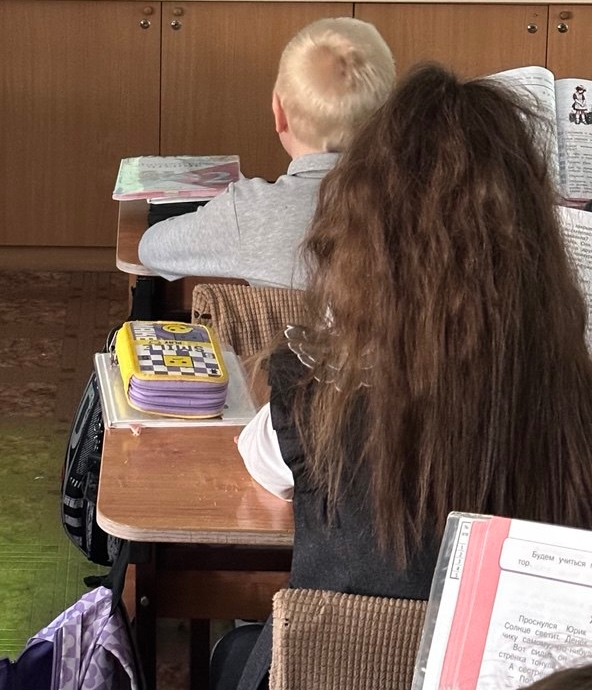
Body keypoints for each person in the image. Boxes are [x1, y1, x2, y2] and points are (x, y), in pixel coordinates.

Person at [237, 63, 592, 600]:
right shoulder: (571, 407)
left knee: (237, 642)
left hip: (347, 651)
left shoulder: (315, 405)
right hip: (509, 653)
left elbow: (258, 457)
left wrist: (348, 332)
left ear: (367, 241)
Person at [136, 17, 395, 288]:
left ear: (278, 113)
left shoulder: (248, 211)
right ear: (388, 120)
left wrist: (219, 211)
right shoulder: (416, 204)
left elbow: (150, 250)